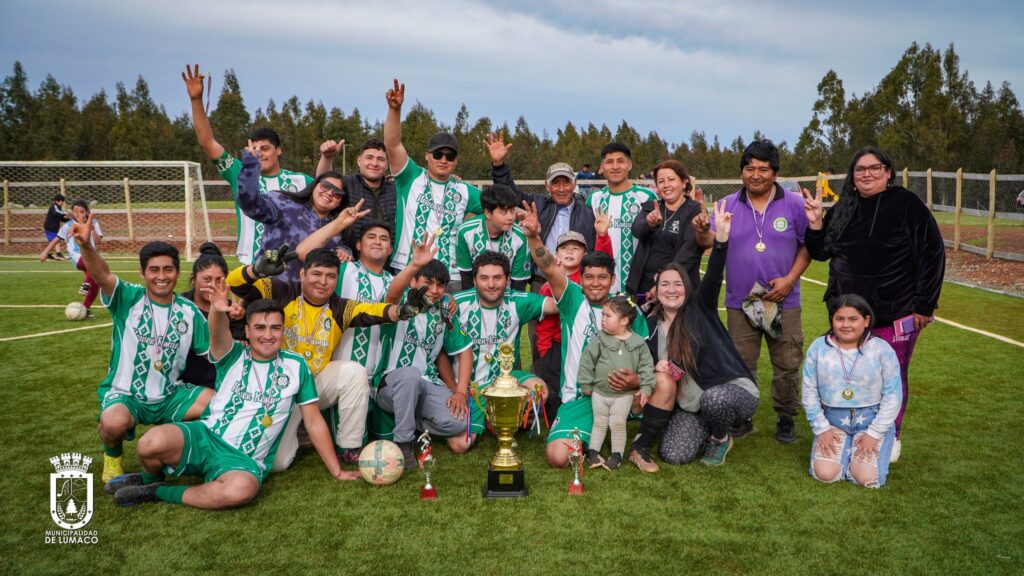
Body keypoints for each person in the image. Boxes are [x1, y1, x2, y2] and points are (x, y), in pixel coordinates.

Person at [108, 296, 359, 509]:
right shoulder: (233, 354)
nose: (268, 335)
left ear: (283, 330)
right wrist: (217, 309)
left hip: (243, 459)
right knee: (149, 443)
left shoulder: (296, 366)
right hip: (206, 435)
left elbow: (313, 421)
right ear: (248, 331)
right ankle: (150, 477)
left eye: (275, 328)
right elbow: (217, 333)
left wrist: (337, 471)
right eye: (260, 328)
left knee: (240, 491)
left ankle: (159, 493)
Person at [226, 245, 426, 470]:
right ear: (303, 274)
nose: (323, 281)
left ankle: (349, 447)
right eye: (317, 274)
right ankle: (299, 434)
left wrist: (402, 311)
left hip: (313, 387)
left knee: (353, 372)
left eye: (330, 276)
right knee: (279, 464)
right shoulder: (281, 291)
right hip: (278, 389)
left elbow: (375, 311)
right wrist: (256, 270)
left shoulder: (341, 307)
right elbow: (234, 284)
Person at [803, 146, 945, 462]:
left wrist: (924, 305)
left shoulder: (906, 203)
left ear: (887, 172)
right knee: (849, 376)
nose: (867, 173)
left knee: (890, 376)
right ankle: (850, 434)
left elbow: (932, 252)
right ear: (852, 175)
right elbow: (821, 251)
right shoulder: (844, 207)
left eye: (874, 167)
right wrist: (814, 222)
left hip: (896, 311)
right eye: (860, 169)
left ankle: (889, 436)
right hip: (846, 314)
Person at [70, 220, 214, 483]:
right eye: (154, 270)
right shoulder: (128, 298)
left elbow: (212, 353)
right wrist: (86, 246)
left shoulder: (190, 311)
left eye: (168, 269)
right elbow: (102, 275)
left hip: (170, 393)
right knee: (112, 422)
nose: (161, 276)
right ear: (142, 273)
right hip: (127, 394)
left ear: (177, 273)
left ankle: (180, 448)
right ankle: (112, 458)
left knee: (216, 403)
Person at [630, 202, 761, 469]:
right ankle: (702, 428)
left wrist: (721, 238)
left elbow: (713, 274)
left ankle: (720, 436)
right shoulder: (649, 324)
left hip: (731, 391)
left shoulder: (700, 307)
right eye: (664, 284)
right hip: (691, 404)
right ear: (655, 290)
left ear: (687, 288)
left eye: (678, 284)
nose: (671, 290)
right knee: (673, 455)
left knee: (714, 399)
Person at [520, 201, 651, 469]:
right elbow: (548, 267)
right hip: (580, 397)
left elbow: (644, 356)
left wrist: (636, 383)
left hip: (621, 394)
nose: (595, 283)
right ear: (581, 277)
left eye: (602, 278)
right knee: (557, 457)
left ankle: (631, 429)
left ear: (612, 280)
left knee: (659, 381)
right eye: (589, 277)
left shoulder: (627, 308)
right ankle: (593, 431)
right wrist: (534, 237)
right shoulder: (573, 300)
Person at [712, 139, 810, 444]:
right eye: (749, 168)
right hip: (741, 301)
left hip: (784, 298)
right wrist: (705, 227)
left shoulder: (794, 204)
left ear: (775, 173)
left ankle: (785, 417)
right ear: (741, 172)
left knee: (787, 361)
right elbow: (712, 244)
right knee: (741, 362)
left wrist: (790, 280)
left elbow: (809, 246)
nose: (756, 174)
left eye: (763, 169)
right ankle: (744, 416)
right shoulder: (727, 204)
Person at [183, 64, 314, 266]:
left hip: (291, 266)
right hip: (250, 265)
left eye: (266, 148)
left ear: (279, 150)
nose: (260, 153)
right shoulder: (239, 173)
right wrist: (196, 100)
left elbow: (326, 193)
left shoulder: (300, 180)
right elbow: (207, 142)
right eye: (255, 149)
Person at [373, 235, 475, 467]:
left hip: (426, 384)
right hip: (390, 385)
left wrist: (459, 391)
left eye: (440, 285)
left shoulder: (443, 310)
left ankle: (409, 421)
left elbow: (464, 350)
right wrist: (414, 265)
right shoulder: (399, 305)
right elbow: (391, 293)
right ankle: (404, 444)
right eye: (427, 283)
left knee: (459, 421)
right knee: (410, 374)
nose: (435, 290)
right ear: (413, 281)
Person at [383, 79, 482, 286]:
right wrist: (395, 110)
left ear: (456, 161)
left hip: (450, 276)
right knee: (405, 318)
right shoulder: (411, 176)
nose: (443, 160)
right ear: (427, 156)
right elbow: (392, 144)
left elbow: (496, 208)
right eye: (438, 154)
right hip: (409, 267)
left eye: (450, 156)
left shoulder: (464, 189)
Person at [452, 251, 557, 439]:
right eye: (484, 278)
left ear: (508, 279)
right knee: (460, 444)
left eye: (497, 277)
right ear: (474, 280)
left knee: (539, 390)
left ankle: (502, 419)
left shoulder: (517, 301)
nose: (491, 284)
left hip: (505, 381)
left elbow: (558, 304)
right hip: (468, 386)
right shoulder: (458, 304)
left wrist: (559, 274)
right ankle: (492, 417)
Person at [802, 294, 902, 488]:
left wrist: (874, 433)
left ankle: (874, 448)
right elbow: (809, 391)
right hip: (833, 421)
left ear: (866, 321)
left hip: (871, 420)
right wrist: (821, 429)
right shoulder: (818, 348)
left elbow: (893, 395)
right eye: (839, 319)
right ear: (832, 320)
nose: (845, 325)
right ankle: (846, 451)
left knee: (865, 479)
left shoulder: (881, 349)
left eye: (853, 319)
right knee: (825, 474)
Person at [236, 148, 353, 282]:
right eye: (325, 186)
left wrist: (344, 250)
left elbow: (342, 249)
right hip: (268, 290)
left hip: (309, 298)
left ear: (341, 202)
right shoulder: (283, 203)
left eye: (337, 193)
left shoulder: (338, 227)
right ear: (315, 185)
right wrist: (251, 166)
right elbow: (249, 204)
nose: (329, 193)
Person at [296, 217, 395, 373]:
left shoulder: (395, 282)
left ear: (390, 249)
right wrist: (340, 223)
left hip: (375, 377)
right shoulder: (342, 269)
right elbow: (303, 253)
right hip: (332, 370)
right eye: (371, 237)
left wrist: (446, 299)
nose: (377, 242)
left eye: (383, 239)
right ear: (358, 245)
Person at [579, 295, 655, 471]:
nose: (603, 319)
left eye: (608, 316)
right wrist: (586, 384)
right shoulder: (599, 339)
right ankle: (592, 452)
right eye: (603, 315)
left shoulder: (638, 343)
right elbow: (587, 361)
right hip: (599, 393)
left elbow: (646, 368)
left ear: (625, 320)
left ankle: (616, 455)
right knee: (599, 422)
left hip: (623, 396)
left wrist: (646, 388)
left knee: (618, 423)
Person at [629, 159, 712, 295]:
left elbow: (689, 252)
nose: (666, 185)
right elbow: (636, 230)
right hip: (643, 289)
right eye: (661, 181)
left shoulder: (694, 210)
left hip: (676, 289)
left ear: (684, 182)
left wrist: (664, 283)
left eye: (671, 179)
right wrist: (649, 224)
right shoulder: (651, 206)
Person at [587, 142, 658, 294]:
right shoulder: (595, 199)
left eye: (620, 161)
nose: (615, 167)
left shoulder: (645, 196)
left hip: (639, 283)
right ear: (602, 167)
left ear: (629, 165)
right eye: (609, 162)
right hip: (603, 286)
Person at [179, 243, 246, 388]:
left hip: (225, 384)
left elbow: (237, 351)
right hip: (186, 385)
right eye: (207, 279)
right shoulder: (180, 306)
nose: (213, 285)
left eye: (219, 280)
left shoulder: (233, 309)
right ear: (193, 278)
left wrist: (237, 321)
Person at [317, 138, 398, 252]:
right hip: (347, 259)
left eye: (380, 159)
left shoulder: (396, 190)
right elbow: (324, 183)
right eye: (369, 157)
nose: (374, 163)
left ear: (387, 164)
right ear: (359, 160)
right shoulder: (345, 183)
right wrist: (327, 158)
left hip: (387, 264)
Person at [456, 183, 530, 291]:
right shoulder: (466, 232)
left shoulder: (521, 236)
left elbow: (518, 283)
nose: (510, 217)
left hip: (507, 298)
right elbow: (466, 276)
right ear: (488, 213)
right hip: (476, 297)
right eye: (504, 212)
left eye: (512, 211)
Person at [39, 199, 104, 318]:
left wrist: (92, 229)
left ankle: (85, 309)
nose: (79, 214)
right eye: (76, 212)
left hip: (91, 256)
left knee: (96, 282)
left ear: (87, 212)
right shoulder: (68, 226)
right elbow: (56, 240)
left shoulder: (93, 223)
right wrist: (45, 252)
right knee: (95, 265)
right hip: (77, 256)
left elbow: (98, 241)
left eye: (82, 211)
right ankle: (86, 284)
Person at [42, 193, 70, 260]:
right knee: (56, 240)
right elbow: (56, 213)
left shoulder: (58, 208)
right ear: (57, 201)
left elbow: (60, 217)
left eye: (63, 201)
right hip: (50, 227)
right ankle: (58, 254)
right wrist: (66, 213)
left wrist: (69, 220)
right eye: (61, 201)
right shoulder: (54, 206)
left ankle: (48, 254)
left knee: (53, 241)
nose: (63, 203)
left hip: (53, 227)